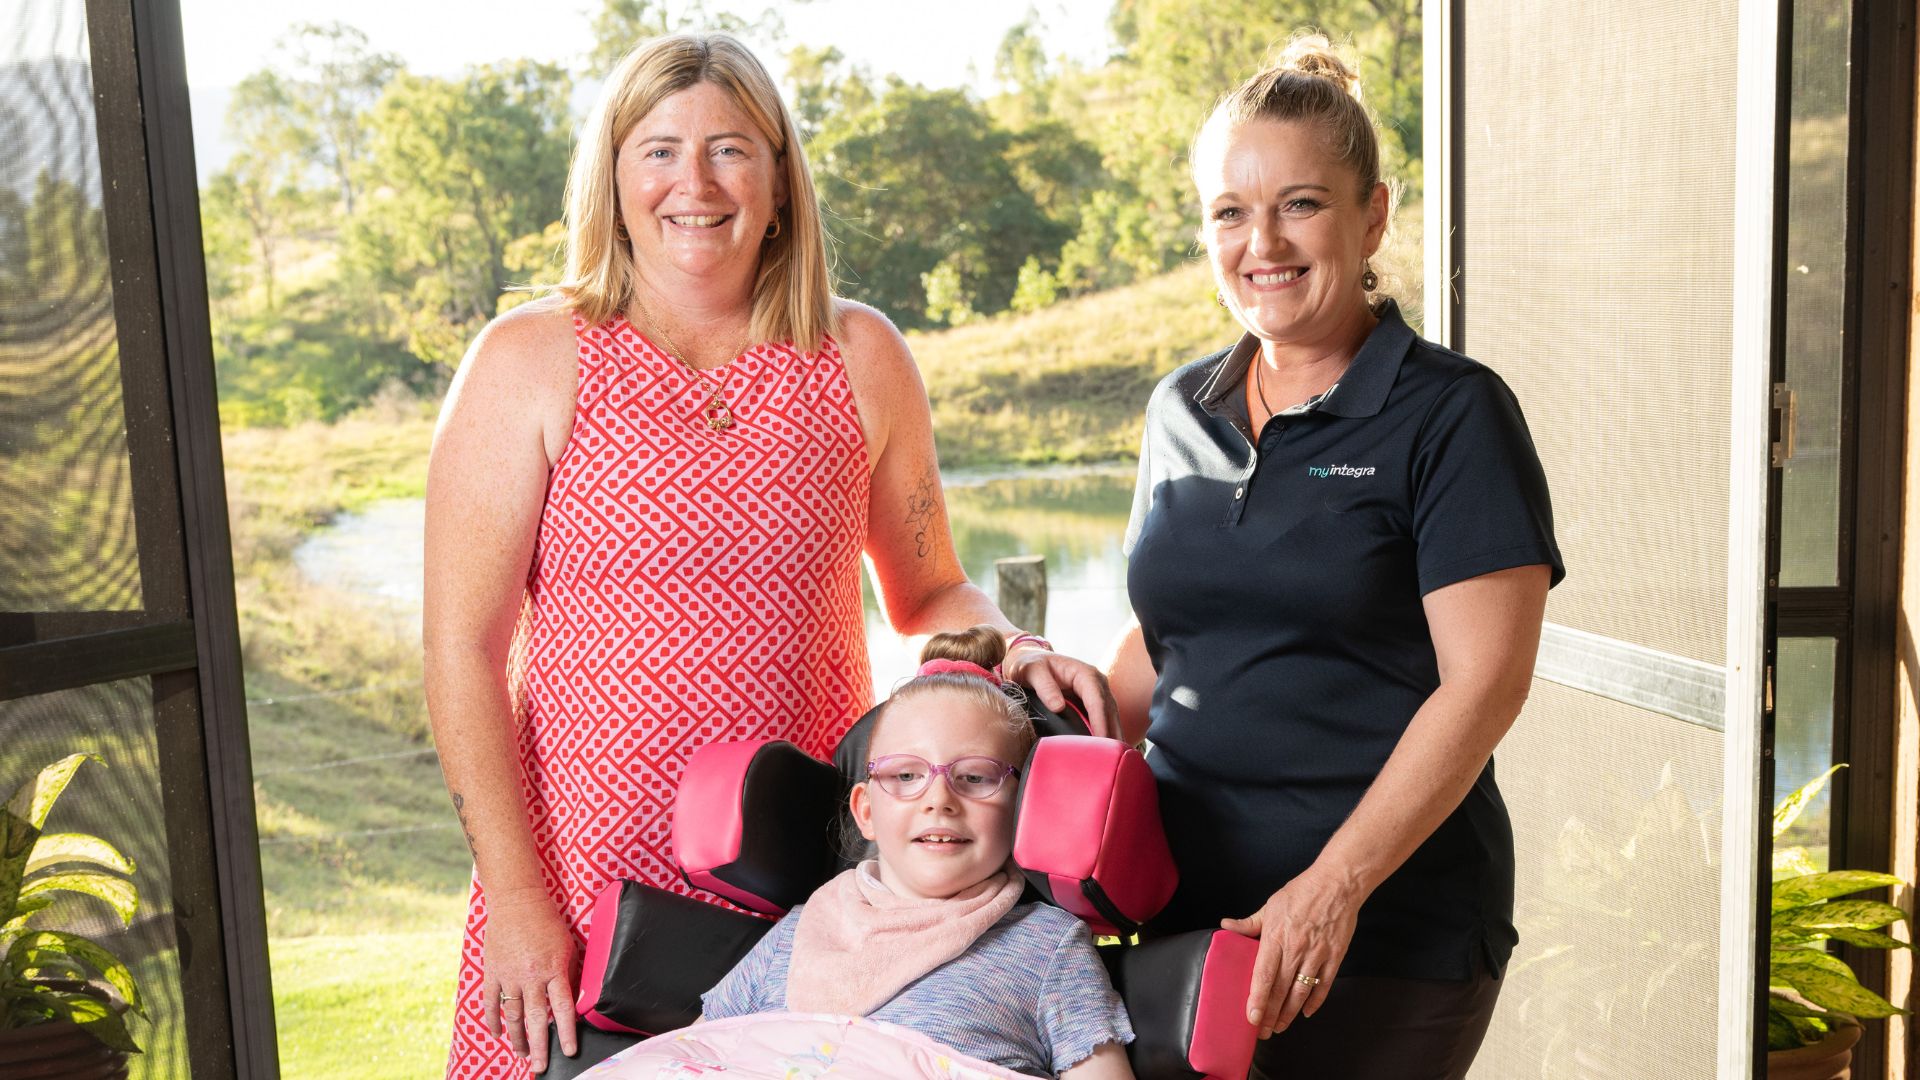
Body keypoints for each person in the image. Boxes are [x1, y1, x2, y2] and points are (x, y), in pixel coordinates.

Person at [423, 33, 1114, 1079]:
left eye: (731, 150)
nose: (693, 183)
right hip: (578, 885)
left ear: (781, 180)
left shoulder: (862, 355)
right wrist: (517, 897)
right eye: (658, 151)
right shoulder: (530, 360)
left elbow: (929, 589)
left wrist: (1014, 645)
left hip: (805, 891)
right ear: (611, 179)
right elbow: (460, 649)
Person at [1105, 35, 1563, 1080]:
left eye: (1300, 204)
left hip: (1388, 939)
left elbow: (1484, 685)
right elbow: (1177, 637)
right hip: (1187, 927)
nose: (1260, 241)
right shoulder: (1181, 407)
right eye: (1229, 211)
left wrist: (1334, 886)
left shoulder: (1451, 413)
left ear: (1373, 215)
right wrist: (1050, 693)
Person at [698, 628, 1136, 1080]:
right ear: (866, 811)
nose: (938, 800)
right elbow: (686, 1058)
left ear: (1024, 804)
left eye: (975, 776)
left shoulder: (1049, 948)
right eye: (906, 775)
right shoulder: (800, 932)